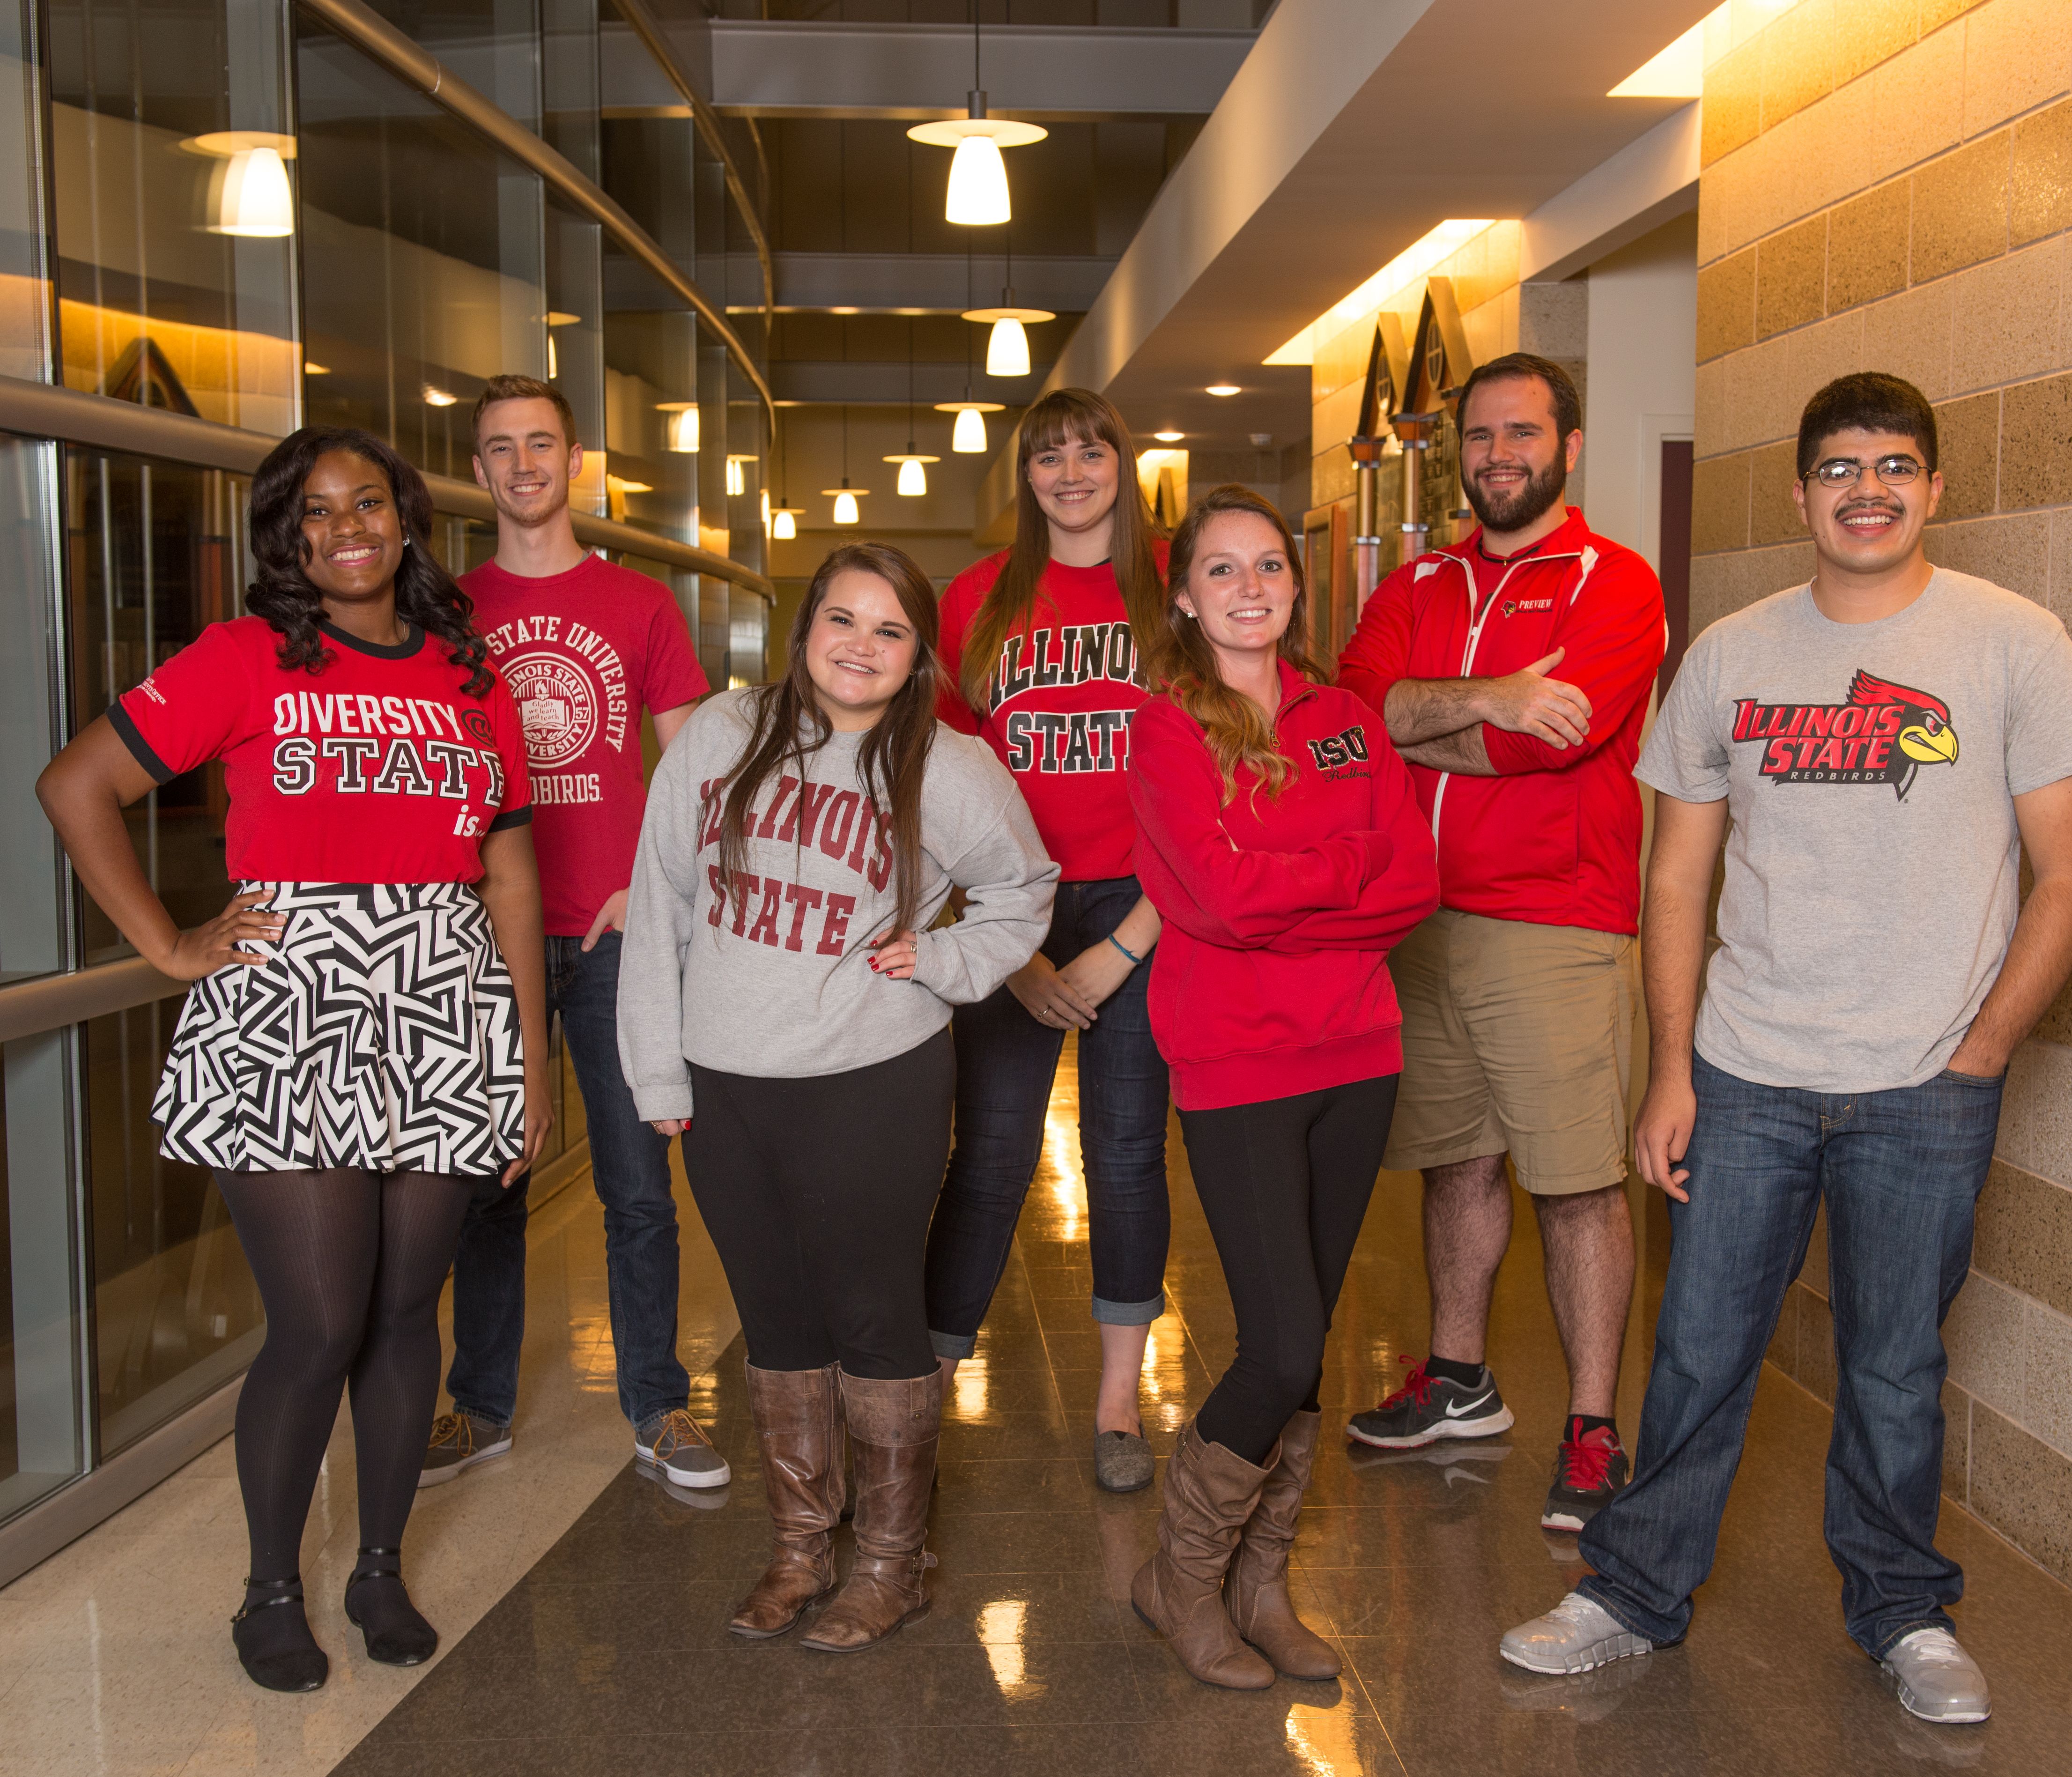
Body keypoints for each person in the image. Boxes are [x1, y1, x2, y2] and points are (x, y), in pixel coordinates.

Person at [1502, 374, 2072, 1725]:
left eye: (1892, 466)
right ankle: (1632, 1591)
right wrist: (1673, 1068)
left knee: (1892, 1364)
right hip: (1750, 1069)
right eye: (1837, 468)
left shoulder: (2017, 644)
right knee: (1699, 1345)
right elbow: (1676, 879)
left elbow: (2062, 872)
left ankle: (1903, 1610)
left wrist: (1984, 1048)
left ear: (1934, 488)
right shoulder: (1733, 657)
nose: (1864, 489)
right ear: (1803, 491)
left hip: (1927, 1079)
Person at [36, 427, 550, 1692]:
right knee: (316, 1321)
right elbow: (74, 785)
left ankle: (378, 1566)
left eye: (367, 502)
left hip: (442, 998)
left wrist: (531, 1061)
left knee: (397, 1315)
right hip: (292, 1003)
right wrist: (167, 942)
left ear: (404, 516)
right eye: (315, 513)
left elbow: (512, 875)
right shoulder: (244, 656)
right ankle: (271, 1586)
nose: (348, 529)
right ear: (288, 537)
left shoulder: (468, 671)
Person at [617, 542, 1056, 1651]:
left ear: (918, 656)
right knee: (773, 1319)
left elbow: (1023, 888)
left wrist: (946, 963)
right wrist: (655, 1068)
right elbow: (661, 902)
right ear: (803, 626)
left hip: (874, 1074)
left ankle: (892, 1563)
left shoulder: (949, 766)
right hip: (726, 1082)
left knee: (872, 1314)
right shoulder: (720, 736)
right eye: (842, 620)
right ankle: (802, 1549)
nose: (861, 646)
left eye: (890, 630)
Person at [1335, 352, 1666, 1532]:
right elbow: (1356, 717)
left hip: (1554, 927)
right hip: (1416, 920)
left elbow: (1553, 745)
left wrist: (1437, 718)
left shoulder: (1614, 582)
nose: (1497, 456)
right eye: (1478, 437)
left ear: (1567, 447)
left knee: (1576, 1183)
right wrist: (1486, 696)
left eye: (1521, 434)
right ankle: (1459, 1380)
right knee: (1454, 1161)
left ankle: (1590, 1425)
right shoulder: (1416, 579)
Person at [1126, 486, 1439, 1688]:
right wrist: (1338, 878)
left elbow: (1411, 873)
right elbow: (1211, 899)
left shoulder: (1347, 716)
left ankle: (1258, 1587)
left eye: (1269, 566)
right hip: (1238, 1062)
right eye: (1222, 570)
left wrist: (1292, 886)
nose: (1250, 588)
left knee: (1303, 1350)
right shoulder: (1165, 726)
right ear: (1186, 593)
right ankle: (1180, 1578)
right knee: (1283, 1339)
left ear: (1297, 585)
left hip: (1357, 1053)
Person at [419, 375, 720, 1495]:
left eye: (540, 443)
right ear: (482, 469)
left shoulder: (638, 603)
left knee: (638, 1186)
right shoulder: (446, 606)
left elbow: (693, 768)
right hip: (485, 933)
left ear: (575, 460)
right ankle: (479, 1407)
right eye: (498, 448)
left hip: (612, 934)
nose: (522, 464)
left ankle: (659, 1405)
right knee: (488, 1182)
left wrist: (660, 895)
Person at [923, 386, 1172, 1490]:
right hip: (1009, 897)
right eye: (1048, 457)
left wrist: (1125, 943)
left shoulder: (1175, 584)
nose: (1070, 472)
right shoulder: (978, 597)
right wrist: (1007, 947)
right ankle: (923, 1388)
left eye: (1090, 451)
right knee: (988, 1156)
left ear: (1123, 461)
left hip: (1148, 900)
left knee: (1124, 1158)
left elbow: (1217, 775)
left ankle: (1119, 1405)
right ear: (1023, 477)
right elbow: (936, 784)